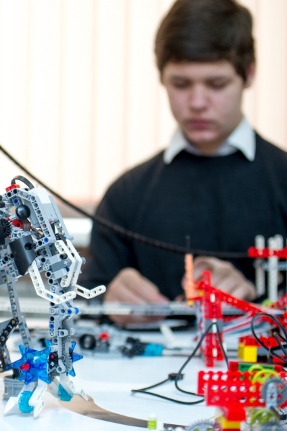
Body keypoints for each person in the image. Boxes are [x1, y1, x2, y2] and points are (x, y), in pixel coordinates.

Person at [78, 0, 287, 325]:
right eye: (181, 84)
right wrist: (107, 302)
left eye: (216, 84)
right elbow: (82, 306)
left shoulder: (282, 181)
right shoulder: (126, 194)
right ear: (161, 77)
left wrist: (254, 297)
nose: (197, 102)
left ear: (249, 73)